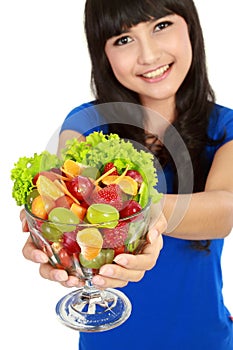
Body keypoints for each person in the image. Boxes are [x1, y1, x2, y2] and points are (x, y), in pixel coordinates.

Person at [21, 0, 233, 349]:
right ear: (102, 52)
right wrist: (49, 220)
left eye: (161, 25)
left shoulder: (224, 128)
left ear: (191, 26)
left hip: (205, 339)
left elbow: (223, 210)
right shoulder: (85, 124)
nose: (148, 55)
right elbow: (63, 189)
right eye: (123, 39)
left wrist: (130, 217)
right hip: (109, 340)